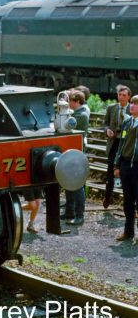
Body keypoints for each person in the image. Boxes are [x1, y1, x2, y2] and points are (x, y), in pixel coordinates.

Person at [114, 94, 138, 243]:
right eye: (132, 104)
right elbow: (121, 144)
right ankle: (128, 232)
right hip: (126, 165)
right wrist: (117, 164)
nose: (132, 106)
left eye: (136, 104)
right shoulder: (128, 122)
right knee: (128, 201)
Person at [103, 85, 131, 209]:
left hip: (126, 145)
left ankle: (128, 203)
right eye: (120, 95)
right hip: (114, 144)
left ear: (129, 97)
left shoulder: (133, 109)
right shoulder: (111, 108)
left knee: (126, 173)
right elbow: (105, 124)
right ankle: (107, 197)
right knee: (110, 172)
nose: (121, 97)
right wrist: (107, 130)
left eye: (124, 95)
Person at [63, 89, 88, 225]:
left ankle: (79, 215)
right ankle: (69, 211)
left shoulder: (80, 115)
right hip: (71, 153)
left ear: (76, 101)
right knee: (68, 182)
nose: (68, 104)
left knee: (77, 185)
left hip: (76, 154)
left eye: (70, 101)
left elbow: (66, 126)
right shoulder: (77, 113)